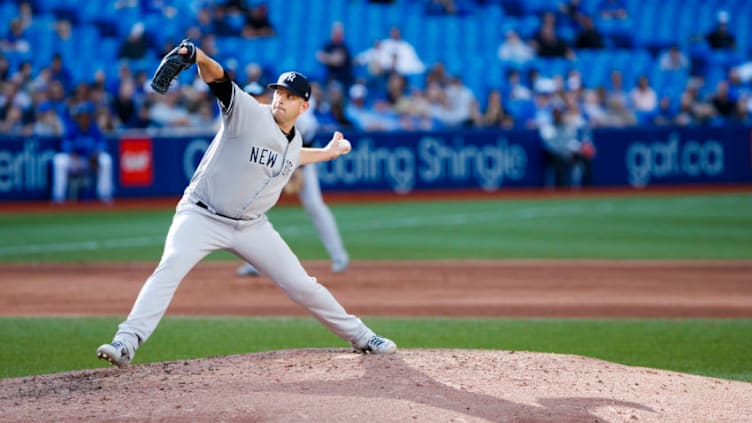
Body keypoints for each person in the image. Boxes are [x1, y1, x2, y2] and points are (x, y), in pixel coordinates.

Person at [96, 44, 396, 368]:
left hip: (252, 226)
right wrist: (197, 56)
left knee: (303, 286)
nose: (280, 98)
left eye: (290, 95)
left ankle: (363, 337)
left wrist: (327, 152)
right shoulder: (249, 113)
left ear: (304, 105)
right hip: (201, 215)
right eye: (278, 92)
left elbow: (295, 156)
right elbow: (220, 79)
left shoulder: (293, 140)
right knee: (169, 267)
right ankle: (125, 341)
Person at [236, 82, 350, 276]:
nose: (255, 100)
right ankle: (254, 263)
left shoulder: (293, 116)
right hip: (268, 162)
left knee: (314, 205)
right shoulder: (248, 118)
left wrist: (299, 169)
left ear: (267, 97)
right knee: (252, 207)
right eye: (251, 96)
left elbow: (307, 140)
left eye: (258, 95)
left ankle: (339, 256)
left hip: (301, 157)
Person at [51, 101, 113, 203]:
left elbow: (102, 146)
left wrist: (95, 156)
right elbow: (66, 147)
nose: (84, 118)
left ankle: (104, 195)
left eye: (87, 116)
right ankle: (58, 197)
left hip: (90, 161)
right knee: (59, 160)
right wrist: (76, 158)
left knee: (106, 160)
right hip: (75, 161)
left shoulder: (94, 130)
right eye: (82, 116)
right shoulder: (72, 129)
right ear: (78, 118)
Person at [315, 22, 354, 89]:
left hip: (343, 80)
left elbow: (338, 61)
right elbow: (319, 56)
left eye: (339, 32)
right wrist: (332, 58)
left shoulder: (344, 47)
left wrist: (327, 58)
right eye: (335, 32)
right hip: (329, 78)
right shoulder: (328, 45)